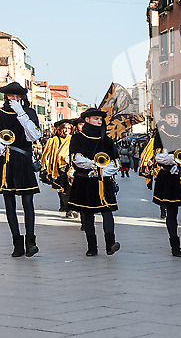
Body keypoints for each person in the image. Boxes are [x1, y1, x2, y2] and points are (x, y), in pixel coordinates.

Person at [0, 82, 42, 257]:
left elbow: (34, 135)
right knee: (9, 203)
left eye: (18, 96)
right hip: (4, 161)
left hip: (23, 160)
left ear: (23, 97)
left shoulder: (29, 113)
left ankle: (30, 241)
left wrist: (21, 113)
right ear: (6, 97)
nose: (15, 99)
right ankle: (17, 243)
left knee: (27, 202)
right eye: (11, 96)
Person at [149, 106, 181, 257]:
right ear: (165, 119)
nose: (173, 120)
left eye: (175, 117)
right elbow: (159, 157)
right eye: (170, 117)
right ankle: (175, 247)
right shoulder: (160, 136)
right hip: (168, 178)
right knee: (171, 213)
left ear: (180, 119)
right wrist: (173, 160)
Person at [68, 108, 121, 257]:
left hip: (104, 181)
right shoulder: (78, 138)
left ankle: (111, 243)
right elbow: (76, 159)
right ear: (87, 120)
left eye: (100, 119)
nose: (99, 121)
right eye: (96, 118)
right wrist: (93, 165)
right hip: (85, 180)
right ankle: (92, 247)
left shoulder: (107, 139)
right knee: (87, 213)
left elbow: (116, 162)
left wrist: (103, 170)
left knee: (107, 211)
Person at [48, 119, 77, 218]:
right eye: (65, 128)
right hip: (58, 168)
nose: (67, 130)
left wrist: (71, 157)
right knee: (62, 189)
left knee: (70, 188)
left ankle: (72, 208)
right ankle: (67, 207)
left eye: (69, 128)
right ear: (60, 129)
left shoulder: (74, 139)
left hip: (70, 167)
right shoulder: (54, 140)